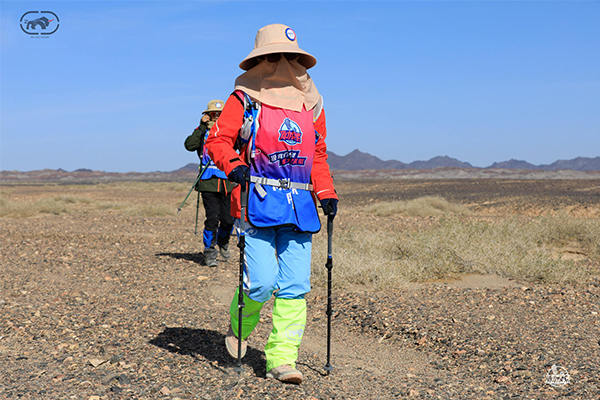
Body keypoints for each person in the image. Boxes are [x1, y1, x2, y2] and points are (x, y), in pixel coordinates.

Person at [205, 24, 338, 384]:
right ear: (259, 61)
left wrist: (326, 192)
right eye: (275, 57)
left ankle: (282, 359)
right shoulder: (244, 99)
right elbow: (217, 140)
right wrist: (234, 165)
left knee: (295, 285)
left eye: (291, 57)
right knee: (262, 282)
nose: (284, 64)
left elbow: (318, 154)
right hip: (257, 203)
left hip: (300, 206)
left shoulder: (312, 103)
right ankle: (239, 327)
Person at [184, 100, 236, 267]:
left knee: (228, 219)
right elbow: (189, 145)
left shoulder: (231, 131)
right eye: (214, 113)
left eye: (220, 114)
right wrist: (201, 127)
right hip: (208, 181)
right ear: (208, 115)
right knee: (212, 218)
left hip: (227, 181)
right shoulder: (202, 132)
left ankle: (223, 241)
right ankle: (209, 251)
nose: (217, 116)